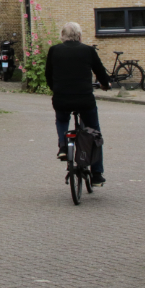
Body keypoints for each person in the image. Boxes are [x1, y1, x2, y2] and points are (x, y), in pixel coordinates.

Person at [45, 21, 111, 186]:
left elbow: (48, 74)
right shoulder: (88, 50)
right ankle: (96, 174)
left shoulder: (54, 51)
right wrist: (105, 84)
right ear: (79, 36)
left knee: (62, 119)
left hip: (61, 99)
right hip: (84, 100)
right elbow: (100, 72)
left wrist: (56, 89)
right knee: (94, 131)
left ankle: (62, 147)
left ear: (62, 36)